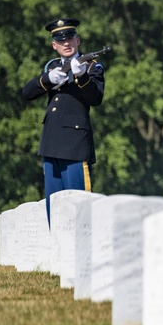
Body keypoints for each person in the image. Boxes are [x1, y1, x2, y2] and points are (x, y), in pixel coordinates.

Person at [22, 17, 106, 220]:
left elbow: (96, 98)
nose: (66, 43)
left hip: (75, 145)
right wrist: (47, 79)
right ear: (54, 45)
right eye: (60, 40)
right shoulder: (52, 67)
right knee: (55, 210)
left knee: (79, 207)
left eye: (69, 38)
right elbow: (27, 93)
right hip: (51, 143)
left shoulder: (92, 66)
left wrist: (82, 77)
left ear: (78, 40)